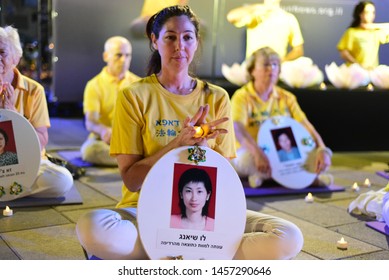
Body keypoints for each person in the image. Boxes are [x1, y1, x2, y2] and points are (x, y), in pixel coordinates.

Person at [76, 5, 303, 260]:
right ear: (154, 41)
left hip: (206, 217)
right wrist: (177, 145)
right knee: (92, 226)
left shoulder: (216, 97)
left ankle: (168, 254)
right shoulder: (134, 95)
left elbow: (225, 182)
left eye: (187, 37)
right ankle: (199, 254)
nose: (179, 46)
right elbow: (131, 180)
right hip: (144, 210)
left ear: (196, 42)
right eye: (170, 37)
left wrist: (203, 152)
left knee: (289, 236)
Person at [230, 46, 332, 188]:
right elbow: (237, 129)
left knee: (317, 157)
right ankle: (306, 179)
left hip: (282, 152)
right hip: (252, 151)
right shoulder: (242, 96)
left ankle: (265, 177)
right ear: (252, 70)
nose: (271, 69)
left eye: (275, 64)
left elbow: (306, 125)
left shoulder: (287, 97)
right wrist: (258, 153)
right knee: (245, 160)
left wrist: (322, 149)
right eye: (266, 64)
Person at [0, 25, 73, 200]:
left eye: (2, 52)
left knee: (62, 180)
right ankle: (12, 189)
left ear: (16, 58)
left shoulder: (34, 90)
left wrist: (13, 117)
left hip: (27, 163)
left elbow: (40, 141)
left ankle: (9, 189)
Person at [81, 36, 140, 166]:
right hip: (106, 142)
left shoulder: (139, 84)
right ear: (106, 56)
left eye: (128, 55)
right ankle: (133, 161)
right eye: (118, 55)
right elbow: (90, 121)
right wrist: (103, 131)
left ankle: (126, 160)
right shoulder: (94, 85)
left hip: (132, 141)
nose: (124, 60)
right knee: (89, 151)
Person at [227, 0, 304, 61]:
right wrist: (258, 7)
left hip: (276, 68)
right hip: (254, 66)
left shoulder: (289, 19)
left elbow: (298, 50)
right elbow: (231, 17)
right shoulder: (255, 15)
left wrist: (283, 60)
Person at [337, 1, 389, 70]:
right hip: (355, 73)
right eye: (367, 12)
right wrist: (357, 64)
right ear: (360, 14)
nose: (371, 15)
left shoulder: (376, 32)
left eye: (373, 12)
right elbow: (343, 53)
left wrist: (374, 26)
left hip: (372, 73)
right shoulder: (352, 32)